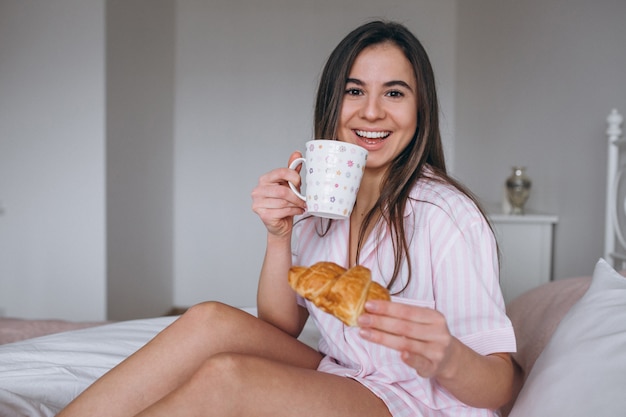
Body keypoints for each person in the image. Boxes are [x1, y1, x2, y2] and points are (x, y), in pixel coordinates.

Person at [58, 20, 515, 417]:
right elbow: (280, 327)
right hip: (349, 375)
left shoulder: (447, 215)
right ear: (332, 103)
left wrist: (449, 357)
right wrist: (279, 236)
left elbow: (501, 383)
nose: (371, 111)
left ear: (420, 109)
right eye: (354, 91)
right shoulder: (324, 200)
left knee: (227, 379)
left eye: (394, 93)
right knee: (210, 320)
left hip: (417, 401)